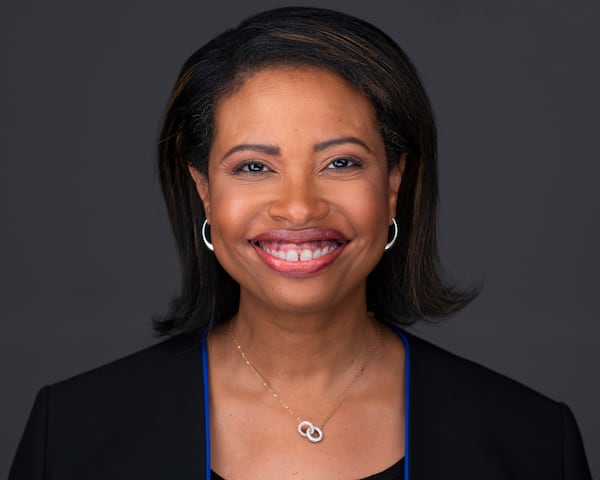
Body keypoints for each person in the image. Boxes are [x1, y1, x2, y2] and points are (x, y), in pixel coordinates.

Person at [9, 7, 592, 480]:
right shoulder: (73, 432)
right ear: (204, 192)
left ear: (393, 185)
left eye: (340, 162)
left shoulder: (532, 442)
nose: (299, 207)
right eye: (254, 167)